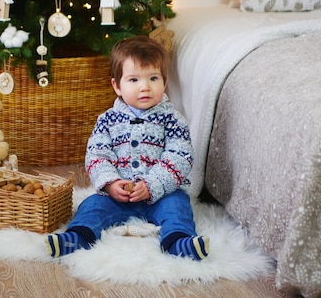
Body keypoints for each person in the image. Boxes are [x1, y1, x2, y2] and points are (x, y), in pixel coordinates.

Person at [46, 35, 209, 260]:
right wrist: (111, 184)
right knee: (92, 205)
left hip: (162, 194)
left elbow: (179, 157)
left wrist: (152, 185)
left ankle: (178, 242)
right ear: (117, 86)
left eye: (153, 78)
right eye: (134, 80)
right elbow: (97, 156)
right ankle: (77, 237)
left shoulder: (172, 119)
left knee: (178, 208)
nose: (145, 87)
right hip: (118, 196)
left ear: (165, 81)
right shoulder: (107, 121)